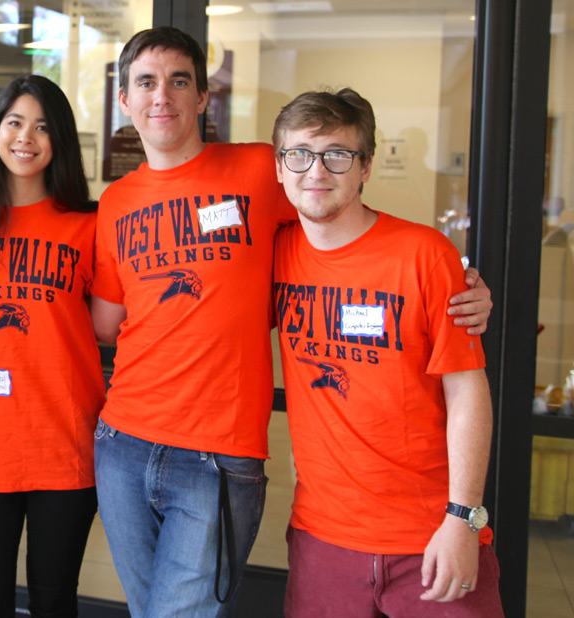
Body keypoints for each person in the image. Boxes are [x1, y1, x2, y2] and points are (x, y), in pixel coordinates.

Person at [89, 27, 493, 617]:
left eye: (180, 81)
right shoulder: (118, 201)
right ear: (123, 99)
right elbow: (109, 318)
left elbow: (342, 217)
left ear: (204, 97)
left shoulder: (261, 169)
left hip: (216, 454)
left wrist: (459, 283)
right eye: (146, 82)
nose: (162, 96)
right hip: (123, 439)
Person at [271, 88, 503, 617]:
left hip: (430, 536)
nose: (317, 170)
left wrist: (463, 518)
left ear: (366, 167)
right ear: (280, 167)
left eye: (338, 154)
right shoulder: (273, 251)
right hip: (321, 539)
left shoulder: (425, 255)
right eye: (300, 154)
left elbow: (467, 391)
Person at [0, 75, 101, 617]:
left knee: (54, 600)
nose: (25, 137)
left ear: (59, 139)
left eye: (41, 126)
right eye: (14, 122)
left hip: (64, 441)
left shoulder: (89, 226)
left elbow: (109, 327)